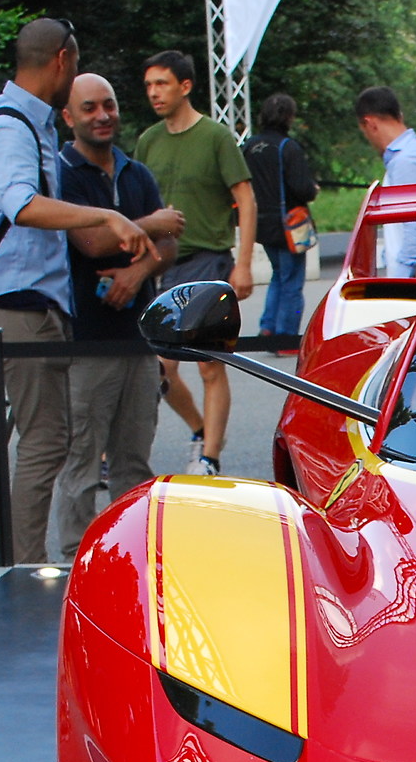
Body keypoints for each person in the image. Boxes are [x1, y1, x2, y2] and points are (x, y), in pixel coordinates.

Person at [0, 21, 156, 562]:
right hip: (17, 302)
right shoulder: (10, 127)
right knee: (47, 444)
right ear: (61, 59)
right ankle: (23, 571)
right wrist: (105, 213)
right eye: (75, 67)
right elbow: (19, 204)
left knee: (50, 442)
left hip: (41, 304)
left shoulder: (33, 125)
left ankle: (28, 567)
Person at [57, 72, 181, 559]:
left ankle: (132, 556)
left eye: (108, 104)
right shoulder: (62, 175)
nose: (102, 115)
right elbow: (90, 241)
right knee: (82, 460)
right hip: (85, 341)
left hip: (137, 338)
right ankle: (74, 559)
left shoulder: (136, 173)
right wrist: (148, 223)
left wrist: (139, 271)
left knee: (133, 460)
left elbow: (170, 244)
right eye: (89, 107)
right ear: (69, 117)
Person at [135, 48, 255, 474]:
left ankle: (210, 457)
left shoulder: (216, 137)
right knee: (158, 369)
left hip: (207, 261)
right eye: (149, 85)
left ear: (185, 86)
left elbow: (245, 197)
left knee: (208, 364)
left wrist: (243, 264)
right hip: (161, 266)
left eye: (162, 83)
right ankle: (201, 428)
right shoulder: (148, 141)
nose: (154, 92)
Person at [243, 92, 317, 337]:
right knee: (292, 283)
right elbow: (302, 188)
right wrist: (313, 189)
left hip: (261, 224)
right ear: (288, 117)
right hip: (289, 226)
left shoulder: (250, 147)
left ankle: (268, 326)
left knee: (278, 275)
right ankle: (286, 335)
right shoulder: (289, 147)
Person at [353, 85, 416, 277]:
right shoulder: (415, 154)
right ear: (400, 115)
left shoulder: (407, 161)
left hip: (412, 281)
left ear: (370, 124)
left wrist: (401, 280)